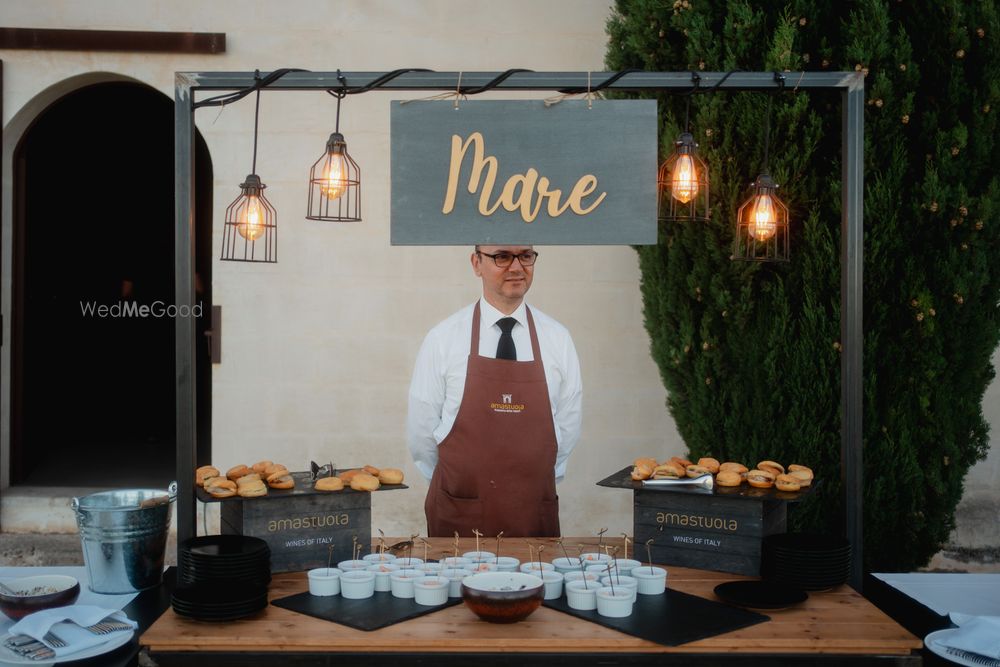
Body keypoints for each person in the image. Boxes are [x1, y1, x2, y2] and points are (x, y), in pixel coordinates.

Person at [407, 245, 583, 537]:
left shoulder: (558, 339)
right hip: (460, 514)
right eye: (502, 256)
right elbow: (421, 433)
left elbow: (568, 427)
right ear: (476, 263)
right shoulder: (443, 338)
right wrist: (456, 483)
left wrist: (534, 482)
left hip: (532, 515)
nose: (516, 267)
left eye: (525, 256)